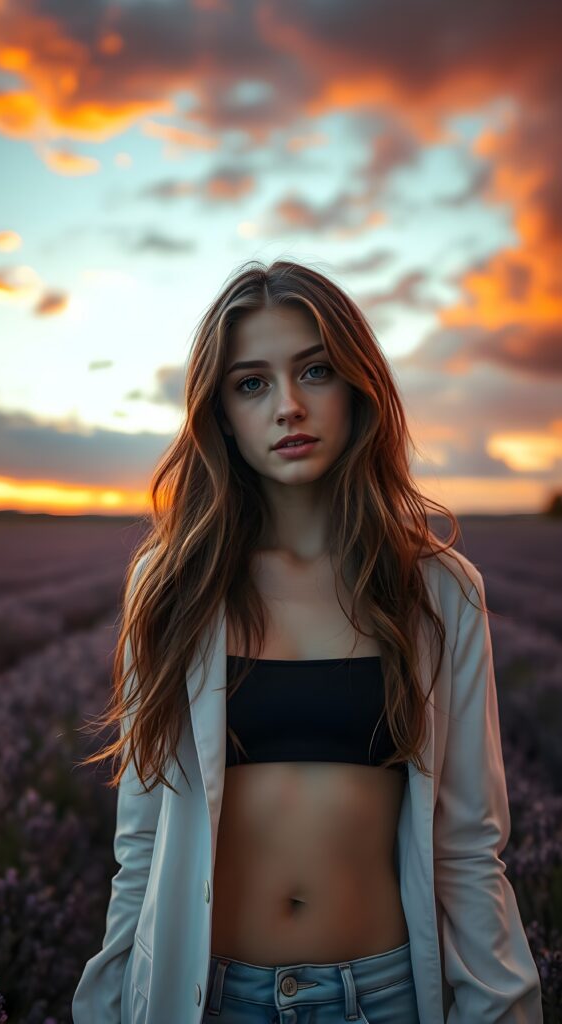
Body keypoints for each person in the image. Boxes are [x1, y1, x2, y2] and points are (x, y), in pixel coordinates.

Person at [72, 258, 543, 1023]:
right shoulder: (172, 584)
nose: (287, 406)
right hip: (210, 998)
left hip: (382, 996)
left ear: (357, 386)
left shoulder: (437, 590)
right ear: (220, 412)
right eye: (251, 383)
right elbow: (143, 848)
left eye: (314, 370)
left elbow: (466, 846)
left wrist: (504, 1007)